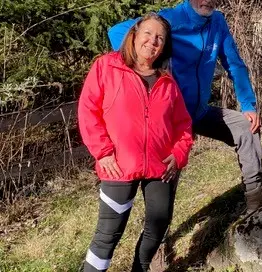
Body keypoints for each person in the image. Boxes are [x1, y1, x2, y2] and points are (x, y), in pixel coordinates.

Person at [108, 0, 262, 213]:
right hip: (171, 118)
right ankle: (159, 231)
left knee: (245, 127)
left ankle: (255, 193)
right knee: (168, 172)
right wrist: (148, 68)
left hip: (200, 112)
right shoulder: (170, 19)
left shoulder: (218, 22)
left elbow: (234, 64)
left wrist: (248, 104)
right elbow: (116, 33)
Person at [78, 13, 193, 272]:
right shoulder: (108, 66)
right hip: (118, 165)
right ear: (134, 34)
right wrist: (103, 152)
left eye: (160, 39)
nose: (152, 42)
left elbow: (183, 126)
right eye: (148, 34)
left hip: (160, 167)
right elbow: (88, 111)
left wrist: (178, 154)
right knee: (108, 234)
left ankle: (140, 268)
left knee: (158, 223)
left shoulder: (167, 82)